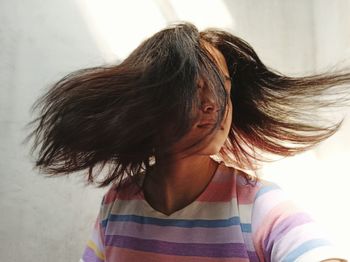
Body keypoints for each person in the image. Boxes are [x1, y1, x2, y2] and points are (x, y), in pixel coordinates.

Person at [24, 23, 349, 261]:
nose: (213, 103)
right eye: (194, 87)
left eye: (222, 87)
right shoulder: (117, 203)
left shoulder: (256, 205)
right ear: (154, 100)